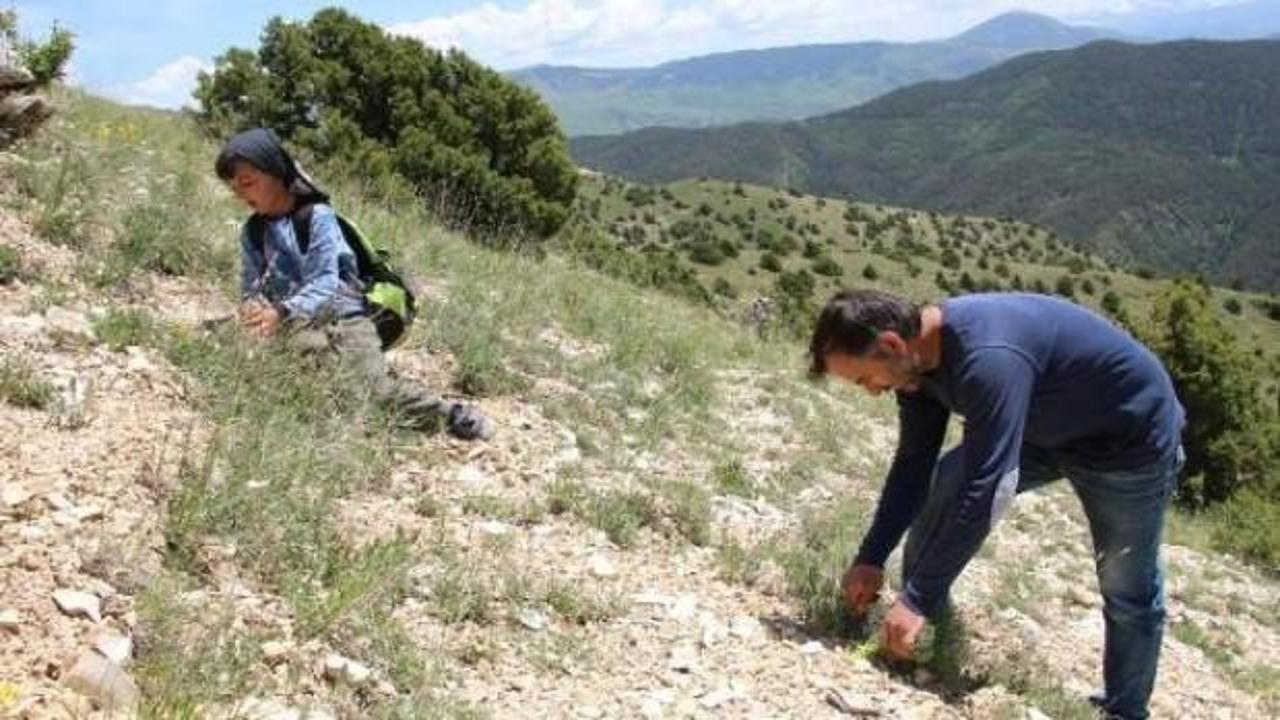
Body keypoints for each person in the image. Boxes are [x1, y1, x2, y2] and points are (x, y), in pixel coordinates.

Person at [808, 289, 1184, 720]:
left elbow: (991, 487)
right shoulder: (915, 368)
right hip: (1039, 429)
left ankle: (1124, 709)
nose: (873, 392)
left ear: (892, 343)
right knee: (942, 489)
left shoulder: (989, 357)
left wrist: (917, 597)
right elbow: (913, 466)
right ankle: (929, 643)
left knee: (1126, 582)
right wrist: (871, 557)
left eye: (864, 379)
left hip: (1126, 441)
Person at [215, 127, 490, 440]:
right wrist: (252, 306)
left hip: (345, 319)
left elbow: (325, 282)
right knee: (307, 386)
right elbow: (251, 286)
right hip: (295, 326)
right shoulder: (252, 231)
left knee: (377, 393)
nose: (242, 195)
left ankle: (450, 414)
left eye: (248, 183)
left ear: (276, 172)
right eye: (235, 189)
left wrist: (280, 310)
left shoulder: (316, 216)